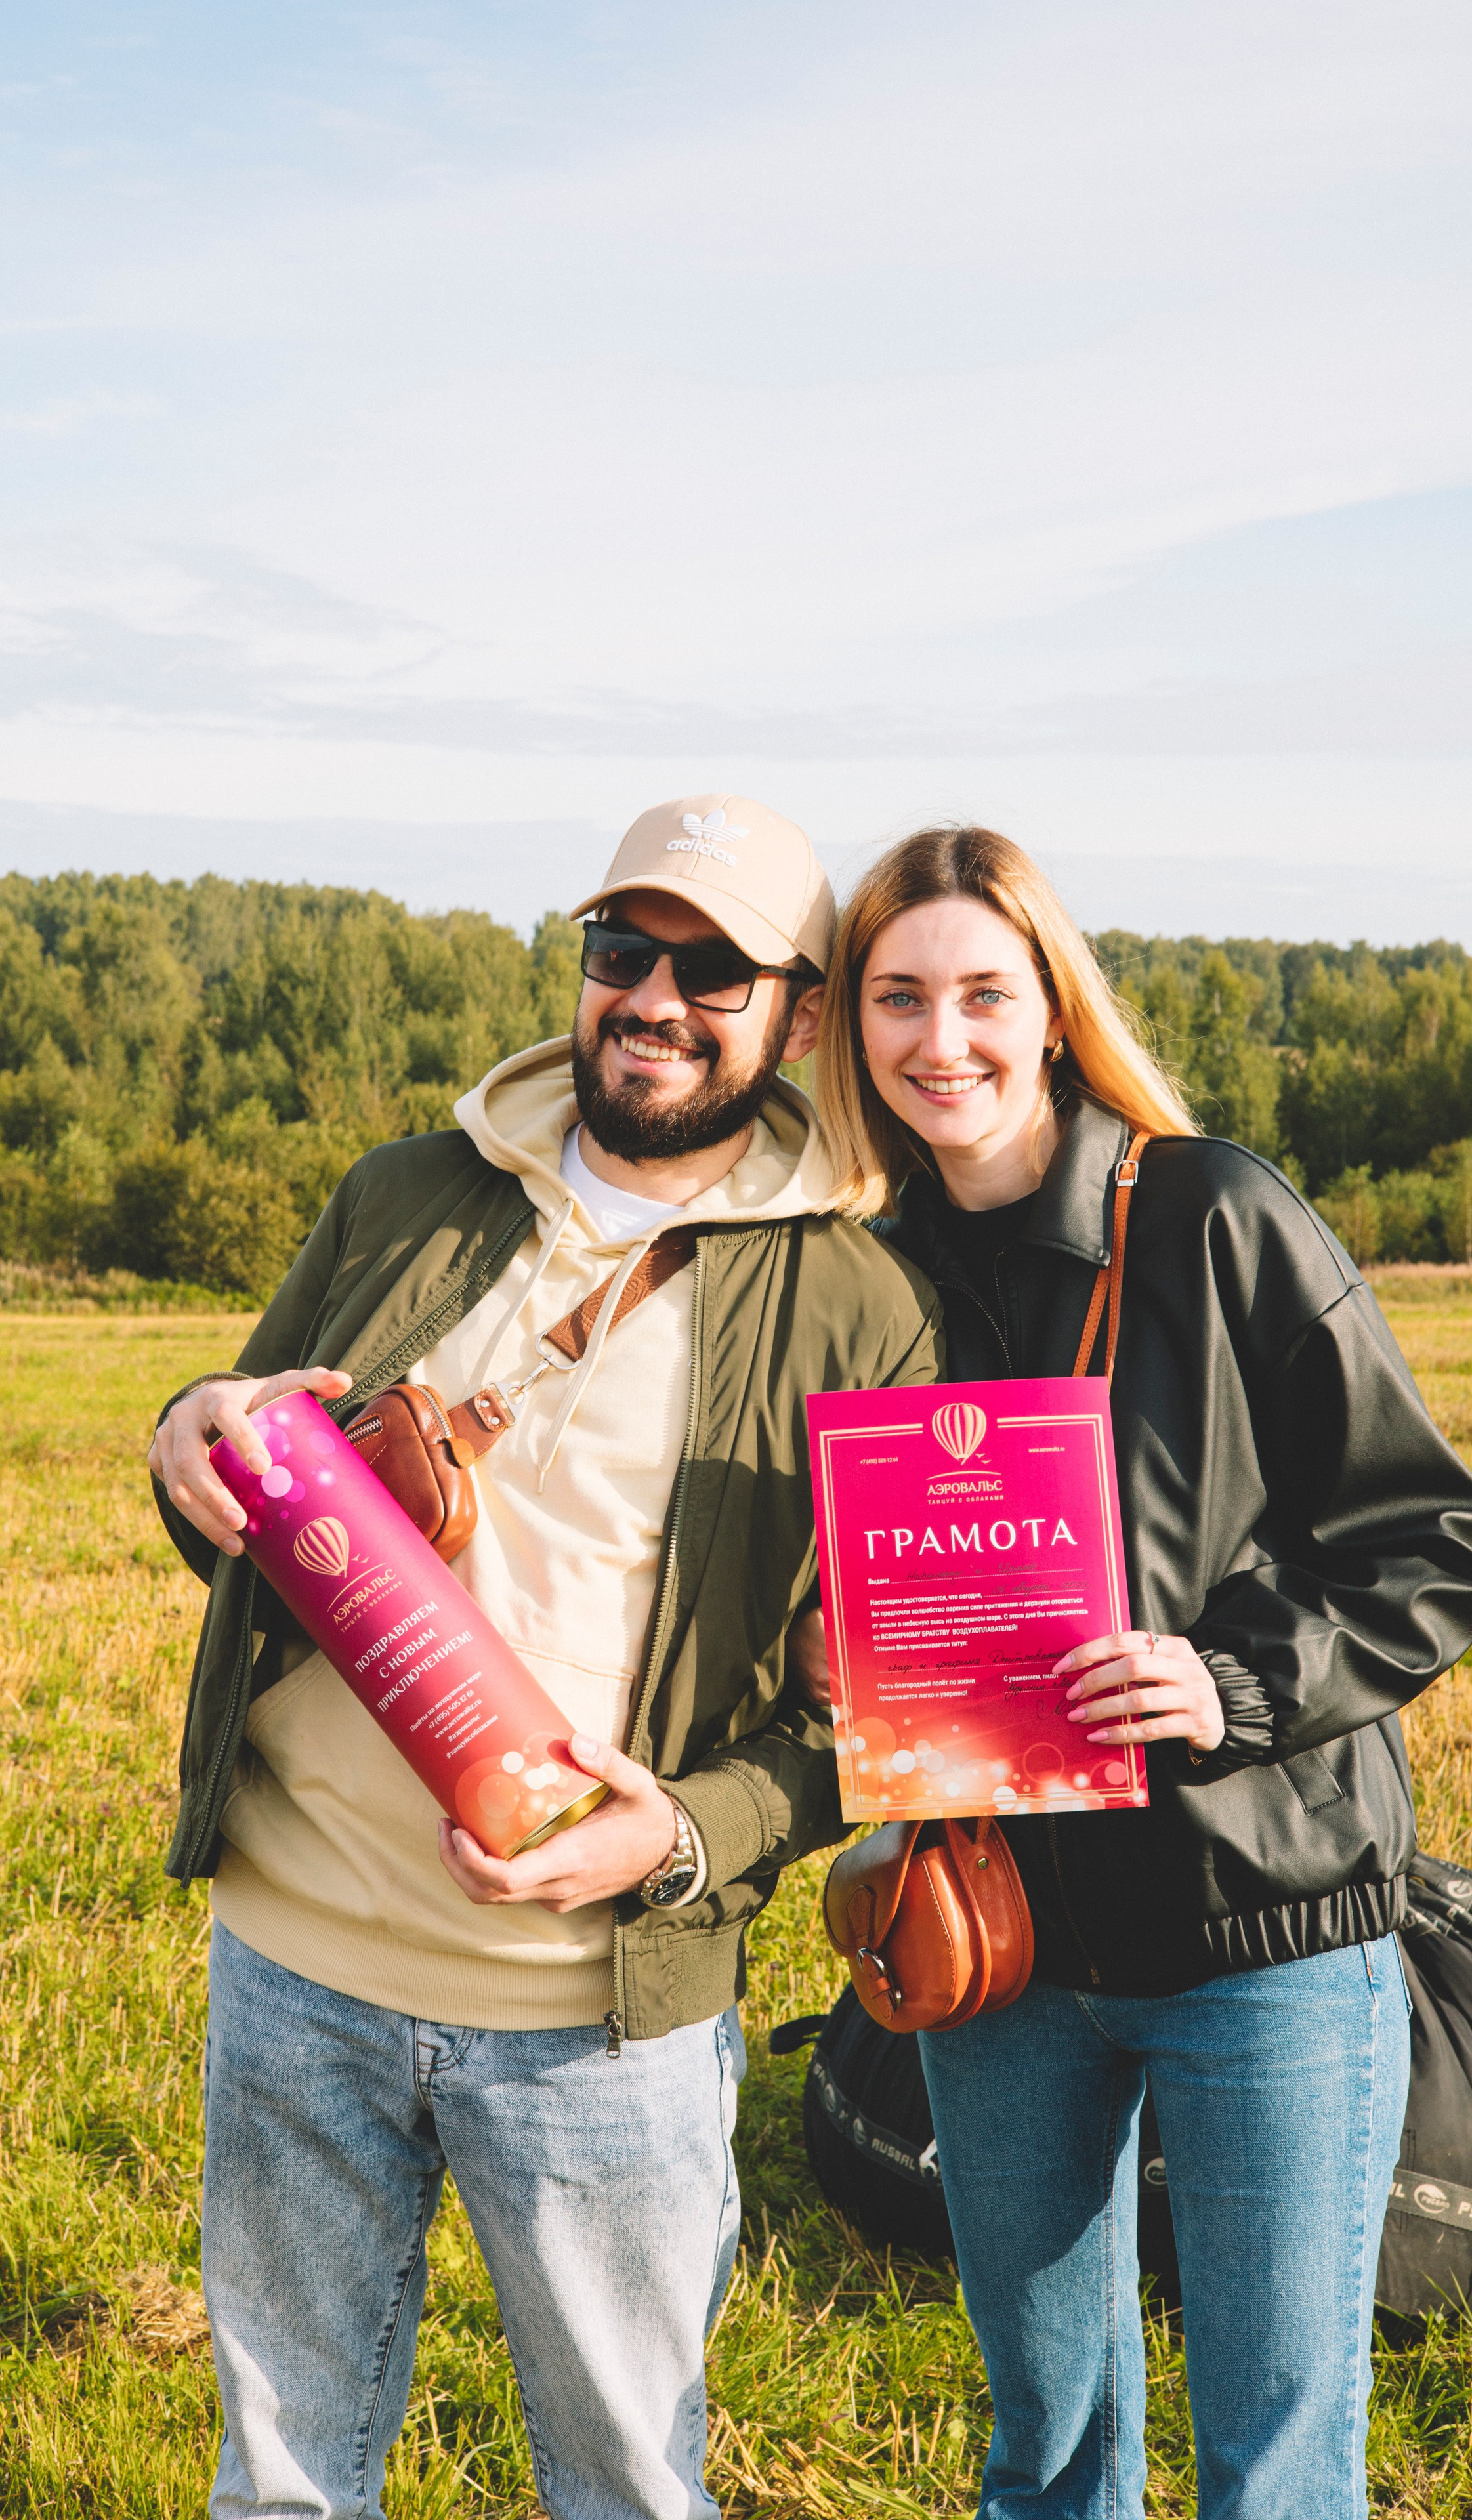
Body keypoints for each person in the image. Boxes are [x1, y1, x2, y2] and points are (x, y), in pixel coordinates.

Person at [148, 793, 942, 2520]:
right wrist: (181, 1438)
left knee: (626, 2492)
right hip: (295, 1969)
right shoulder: (408, 1194)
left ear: (797, 1015)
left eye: (715, 970)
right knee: (279, 2480)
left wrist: (679, 1834)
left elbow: (882, 1719)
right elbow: (244, 1461)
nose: (654, 999)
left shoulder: (858, 1305)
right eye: (623, 951)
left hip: (599, 2027)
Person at [801, 823, 1472, 2520]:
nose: (937, 1041)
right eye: (896, 998)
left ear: (1051, 1003)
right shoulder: (856, 1272)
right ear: (851, 1027)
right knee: (1046, 2456)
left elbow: (1429, 1543)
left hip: (1267, 1935)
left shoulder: (1215, 1215)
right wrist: (829, 1640)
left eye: (979, 993)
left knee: (1271, 2471)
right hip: (997, 1946)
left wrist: (1228, 1684)